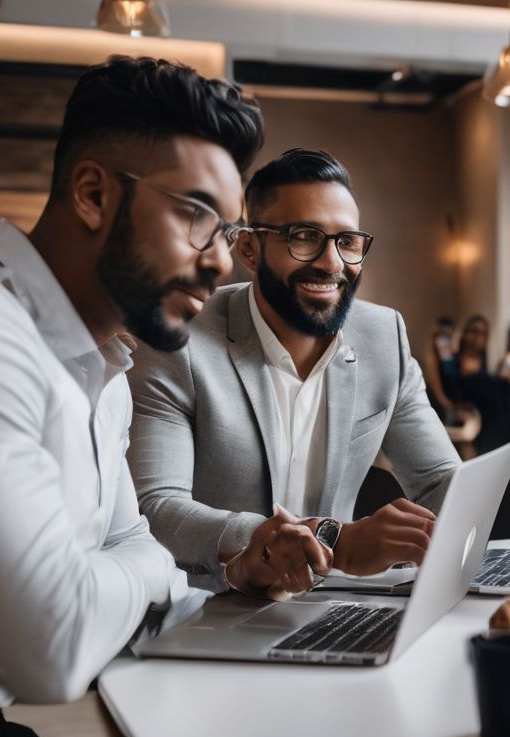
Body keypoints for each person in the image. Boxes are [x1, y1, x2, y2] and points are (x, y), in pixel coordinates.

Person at [0, 56, 262, 737]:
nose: (222, 261)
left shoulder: (101, 368)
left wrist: (234, 584)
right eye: (196, 215)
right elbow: (53, 648)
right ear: (93, 194)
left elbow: (140, 566)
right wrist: (140, 565)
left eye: (227, 232)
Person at [128, 148, 460, 598]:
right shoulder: (178, 340)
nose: (331, 263)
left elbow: (442, 480)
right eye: (303, 236)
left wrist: (420, 543)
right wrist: (332, 541)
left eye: (347, 241)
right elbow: (157, 509)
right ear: (249, 247)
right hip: (207, 611)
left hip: (334, 606)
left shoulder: (384, 336)